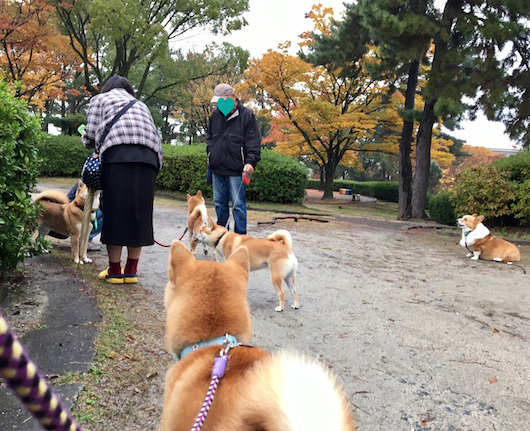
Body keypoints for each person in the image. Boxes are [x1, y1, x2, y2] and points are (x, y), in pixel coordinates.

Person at [82, 76, 162, 284]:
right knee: (139, 214)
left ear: (108, 87)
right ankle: (132, 271)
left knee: (115, 212)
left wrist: (88, 141)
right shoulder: (141, 104)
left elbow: (90, 134)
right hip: (149, 159)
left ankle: (115, 271)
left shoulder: (100, 99)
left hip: (118, 156)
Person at [206, 83, 261, 234]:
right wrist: (210, 154)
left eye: (223, 101)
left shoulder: (247, 115)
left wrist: (250, 162)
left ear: (233, 97)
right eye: (218, 102)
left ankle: (240, 238)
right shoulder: (215, 116)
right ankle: (221, 237)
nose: (220, 104)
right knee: (219, 204)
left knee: (238, 206)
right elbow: (210, 139)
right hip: (217, 168)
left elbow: (253, 141)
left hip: (238, 169)